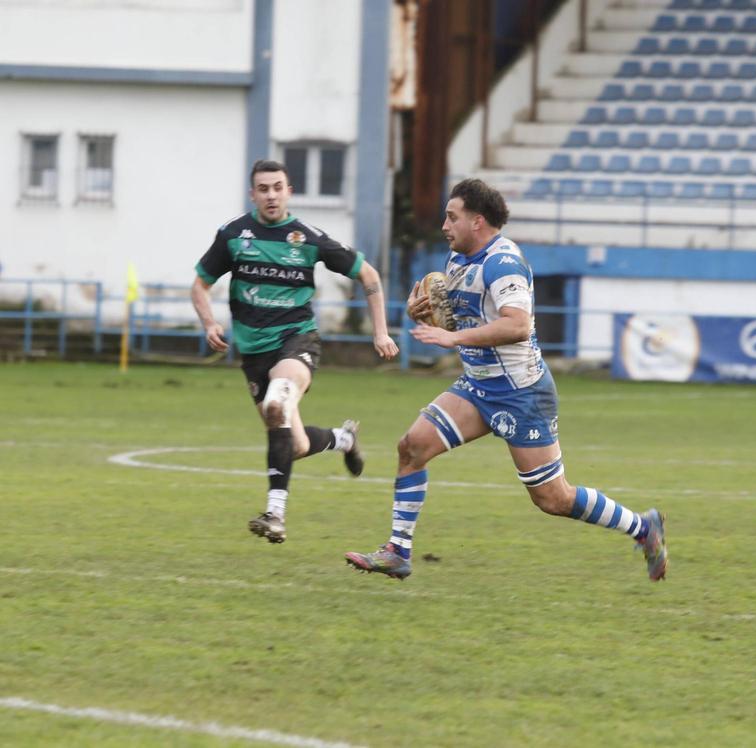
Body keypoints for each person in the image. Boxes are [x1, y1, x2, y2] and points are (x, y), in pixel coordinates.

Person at [344, 178, 667, 582]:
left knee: (552, 498)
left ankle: (643, 528)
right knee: (412, 448)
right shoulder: (457, 259)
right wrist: (422, 313)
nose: (444, 225)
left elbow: (517, 325)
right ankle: (397, 551)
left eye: (452, 217)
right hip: (479, 387)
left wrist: (452, 337)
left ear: (477, 221)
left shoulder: (503, 263)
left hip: (521, 393)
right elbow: (459, 317)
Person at [191, 159, 399, 543]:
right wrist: (209, 323)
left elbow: (368, 275)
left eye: (278, 187)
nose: (271, 195)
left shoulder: (308, 238)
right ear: (252, 194)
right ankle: (343, 439)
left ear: (289, 192)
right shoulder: (234, 235)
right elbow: (200, 284)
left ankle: (275, 514)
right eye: (263, 188)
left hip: (296, 340)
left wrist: (380, 333)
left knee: (276, 406)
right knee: (296, 444)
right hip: (255, 353)